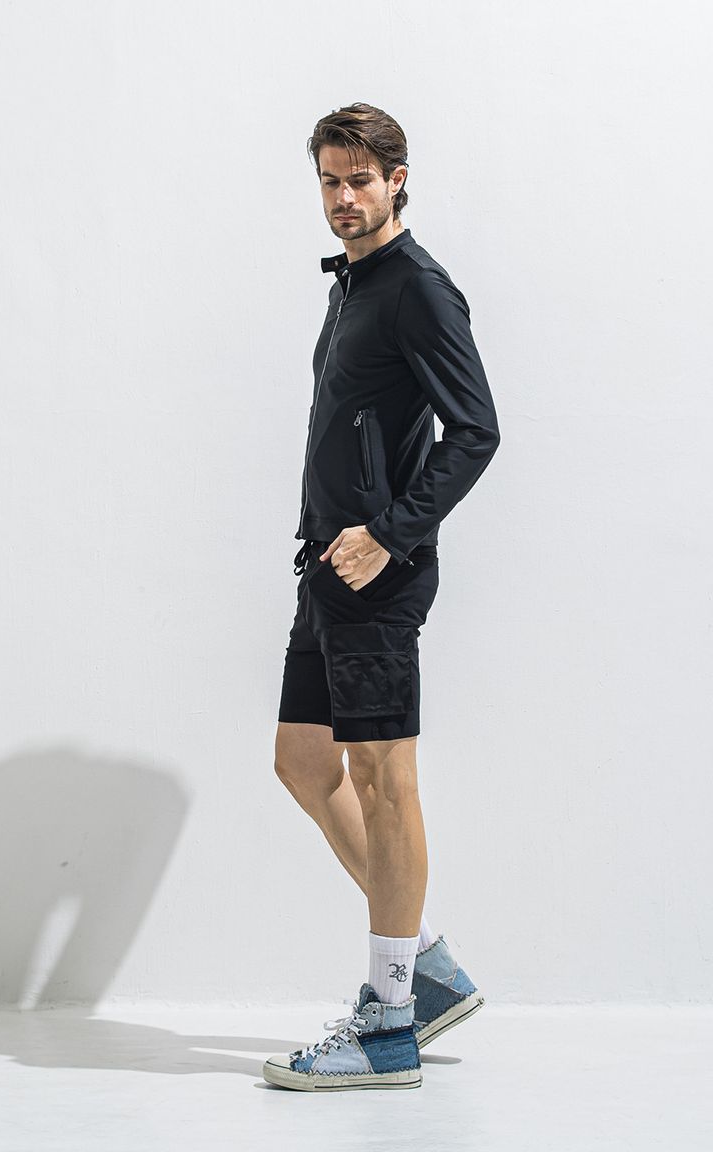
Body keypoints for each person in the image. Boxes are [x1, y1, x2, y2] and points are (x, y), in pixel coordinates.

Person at [263, 102, 501, 1092]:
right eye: (330, 180)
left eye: (360, 180)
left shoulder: (417, 290)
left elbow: (476, 430)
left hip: (378, 574)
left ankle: (392, 1021)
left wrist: (391, 533)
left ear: (397, 180)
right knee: (302, 761)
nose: (343, 198)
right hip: (327, 567)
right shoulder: (354, 285)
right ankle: (427, 964)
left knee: (382, 780)